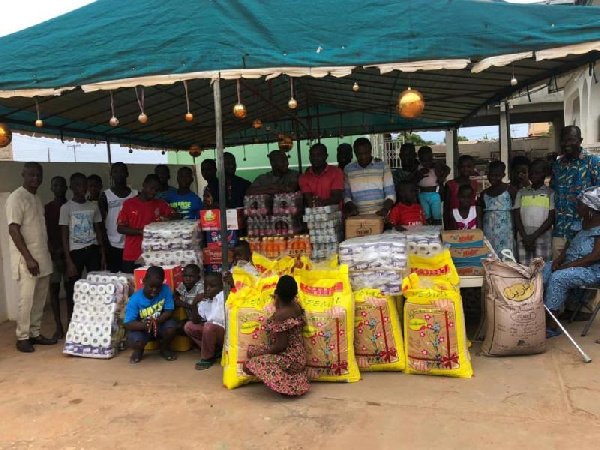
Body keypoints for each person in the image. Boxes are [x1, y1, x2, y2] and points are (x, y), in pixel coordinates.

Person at [7, 162, 56, 352]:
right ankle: (23, 336)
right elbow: (13, 229)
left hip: (42, 256)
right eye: (31, 175)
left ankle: (35, 333)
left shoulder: (36, 198)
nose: (35, 179)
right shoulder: (16, 198)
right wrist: (28, 258)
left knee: (40, 299)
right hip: (27, 259)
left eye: (38, 175)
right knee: (26, 299)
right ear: (23, 175)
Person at [542, 187, 600, 338]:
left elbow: (594, 256)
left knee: (559, 277)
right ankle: (539, 316)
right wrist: (559, 260)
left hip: (591, 269)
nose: (577, 207)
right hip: (571, 263)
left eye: (580, 204)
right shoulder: (581, 223)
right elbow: (569, 243)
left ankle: (553, 324)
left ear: (590, 209)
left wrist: (568, 266)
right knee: (543, 270)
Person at [244, 275, 309, 396]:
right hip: (300, 354)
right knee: (251, 351)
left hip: (290, 358)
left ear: (277, 293)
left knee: (250, 364)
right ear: (294, 294)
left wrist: (261, 353)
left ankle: (290, 385)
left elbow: (280, 346)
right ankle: (293, 377)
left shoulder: (280, 315)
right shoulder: (297, 306)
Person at [60, 173, 106, 324]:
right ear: (71, 187)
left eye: (84, 184)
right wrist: (68, 261)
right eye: (78, 185)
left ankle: (96, 320)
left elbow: (98, 231)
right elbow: (64, 235)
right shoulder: (66, 208)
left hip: (92, 250)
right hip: (75, 253)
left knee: (96, 285)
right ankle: (74, 321)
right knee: (74, 288)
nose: (82, 188)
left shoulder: (93, 206)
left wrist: (103, 254)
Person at [551, 125, 600, 259]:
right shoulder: (557, 165)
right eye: (563, 140)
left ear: (580, 140)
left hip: (585, 232)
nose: (567, 144)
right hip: (561, 230)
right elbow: (554, 189)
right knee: (557, 271)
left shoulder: (593, 162)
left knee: (579, 273)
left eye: (571, 139)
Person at [117, 174, 174, 273]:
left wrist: (167, 218)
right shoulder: (128, 204)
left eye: (156, 190)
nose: (153, 192)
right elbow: (120, 228)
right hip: (132, 254)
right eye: (151, 188)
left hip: (154, 254)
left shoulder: (160, 203)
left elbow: (175, 215)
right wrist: (141, 232)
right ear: (144, 185)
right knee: (132, 284)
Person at [124, 266, 178, 363]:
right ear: (144, 282)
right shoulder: (135, 299)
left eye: (158, 287)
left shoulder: (166, 290)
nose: (154, 290)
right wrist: (145, 325)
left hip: (160, 324)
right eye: (151, 286)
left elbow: (169, 310)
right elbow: (128, 323)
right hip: (142, 328)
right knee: (136, 340)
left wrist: (158, 321)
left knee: (171, 327)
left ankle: (164, 349)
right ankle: (138, 351)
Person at [98, 162, 138, 273]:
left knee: (131, 274)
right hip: (112, 242)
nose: (119, 174)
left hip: (131, 241)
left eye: (122, 171)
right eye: (116, 172)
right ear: (111, 174)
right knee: (115, 275)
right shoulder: (105, 195)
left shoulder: (135, 195)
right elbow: (101, 220)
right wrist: (105, 241)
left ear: (127, 173)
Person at [514, 159, 555, 264]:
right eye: (531, 173)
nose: (533, 175)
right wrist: (525, 237)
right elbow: (516, 216)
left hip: (542, 240)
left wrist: (533, 237)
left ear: (545, 174)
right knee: (524, 271)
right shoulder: (521, 192)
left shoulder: (550, 193)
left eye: (537, 173)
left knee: (542, 271)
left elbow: (550, 219)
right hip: (523, 239)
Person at [343, 138, 396, 216]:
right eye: (359, 154)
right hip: (358, 217)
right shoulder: (348, 169)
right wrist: (352, 207)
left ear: (371, 150)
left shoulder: (383, 166)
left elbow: (390, 193)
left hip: (380, 215)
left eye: (366, 153)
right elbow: (346, 195)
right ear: (355, 153)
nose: (363, 157)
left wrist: (385, 209)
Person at [184, 273, 225, 370]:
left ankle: (207, 358)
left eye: (212, 286)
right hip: (210, 331)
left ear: (222, 287)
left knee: (209, 327)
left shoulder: (223, 297)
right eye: (206, 286)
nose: (208, 289)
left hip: (225, 334)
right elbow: (196, 320)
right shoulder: (205, 301)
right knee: (188, 326)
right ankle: (214, 350)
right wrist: (195, 303)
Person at [45, 176, 68, 339]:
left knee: (69, 290)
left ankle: (71, 323)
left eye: (61, 185)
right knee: (53, 290)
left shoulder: (70, 206)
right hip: (53, 254)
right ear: (51, 188)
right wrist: (54, 252)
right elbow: (44, 232)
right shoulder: (47, 208)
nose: (58, 188)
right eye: (55, 185)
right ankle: (58, 325)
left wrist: (63, 253)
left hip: (68, 254)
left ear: (66, 187)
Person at [479, 161, 517, 257]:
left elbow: (516, 212)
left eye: (497, 175)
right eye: (491, 175)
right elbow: (481, 214)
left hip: (506, 231)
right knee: (490, 255)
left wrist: (516, 231)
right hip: (488, 231)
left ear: (503, 175)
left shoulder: (510, 190)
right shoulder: (484, 194)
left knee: (506, 255)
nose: (493, 178)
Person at [299, 143, 344, 208]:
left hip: (335, 215)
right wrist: (320, 202)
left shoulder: (336, 172)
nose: (315, 158)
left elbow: (336, 198)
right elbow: (309, 202)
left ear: (326, 156)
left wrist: (320, 202)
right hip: (315, 216)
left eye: (318, 155)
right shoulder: (303, 178)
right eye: (312, 155)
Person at [444, 155, 478, 226]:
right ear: (458, 168)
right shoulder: (450, 185)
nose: (465, 169)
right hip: (454, 223)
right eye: (462, 167)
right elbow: (446, 208)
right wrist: (446, 228)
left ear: (473, 167)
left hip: (471, 223)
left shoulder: (474, 184)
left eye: (468, 166)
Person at [416, 146, 447, 225]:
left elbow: (447, 169)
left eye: (429, 160)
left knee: (436, 214)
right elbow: (413, 178)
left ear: (432, 158)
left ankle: (437, 228)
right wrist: (419, 174)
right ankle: (427, 231)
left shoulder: (436, 166)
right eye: (424, 161)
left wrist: (442, 178)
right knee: (425, 215)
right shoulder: (418, 168)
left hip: (435, 194)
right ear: (419, 159)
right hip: (422, 194)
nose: (426, 163)